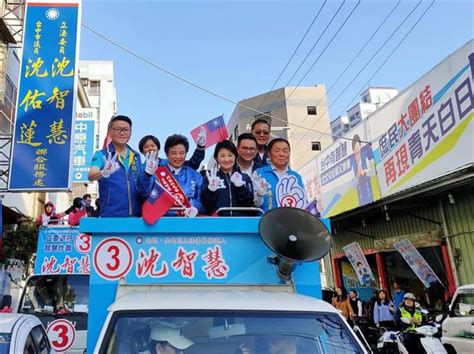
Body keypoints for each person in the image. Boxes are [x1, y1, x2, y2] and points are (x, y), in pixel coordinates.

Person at [88, 115, 156, 217]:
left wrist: (147, 175)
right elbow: (91, 175)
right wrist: (103, 173)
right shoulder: (101, 154)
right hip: (111, 216)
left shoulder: (136, 155)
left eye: (125, 130)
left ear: (130, 132)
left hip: (137, 217)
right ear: (110, 131)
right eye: (117, 129)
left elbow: (140, 186)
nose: (122, 133)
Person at [201, 140, 254, 216]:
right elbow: (206, 204)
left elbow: (249, 203)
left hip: (241, 223)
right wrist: (211, 190)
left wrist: (240, 187)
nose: (227, 159)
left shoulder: (245, 178)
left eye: (230, 155)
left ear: (235, 156)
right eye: (222, 156)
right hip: (218, 223)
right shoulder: (210, 178)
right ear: (216, 158)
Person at [252, 138, 307, 212]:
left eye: (285, 151)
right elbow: (255, 204)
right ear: (269, 154)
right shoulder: (259, 173)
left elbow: (303, 201)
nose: (281, 154)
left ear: (289, 154)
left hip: (291, 221)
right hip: (266, 220)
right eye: (277, 151)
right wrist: (260, 194)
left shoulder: (296, 176)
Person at [162, 134, 205, 216]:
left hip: (188, 223)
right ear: (167, 154)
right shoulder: (158, 175)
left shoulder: (195, 176)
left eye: (181, 153)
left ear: (186, 153)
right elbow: (147, 197)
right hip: (164, 224)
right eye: (174, 153)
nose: (178, 157)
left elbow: (202, 200)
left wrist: (196, 208)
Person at [138, 131, 206, 171]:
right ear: (142, 151)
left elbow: (193, 164)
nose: (150, 149)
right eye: (146, 147)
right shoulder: (140, 169)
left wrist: (200, 147)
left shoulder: (170, 163)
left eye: (153, 146)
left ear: (158, 148)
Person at [351, 134, 375, 206]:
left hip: (370, 197)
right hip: (361, 202)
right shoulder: (352, 162)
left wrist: (364, 171)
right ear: (353, 151)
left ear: (360, 147)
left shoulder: (366, 157)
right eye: (355, 150)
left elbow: (373, 172)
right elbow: (353, 186)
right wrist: (358, 175)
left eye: (358, 148)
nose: (357, 151)